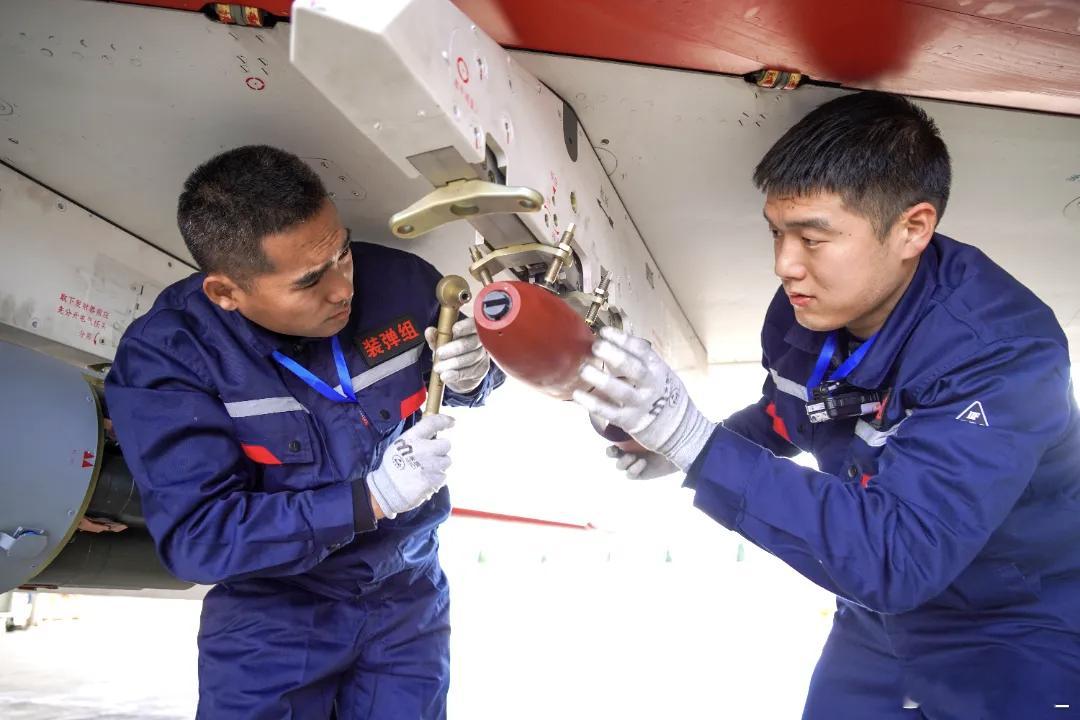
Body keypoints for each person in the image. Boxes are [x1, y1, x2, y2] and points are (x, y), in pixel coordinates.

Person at [574, 91, 1080, 718]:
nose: (785, 265)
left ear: (913, 229)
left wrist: (698, 447)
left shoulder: (1003, 353)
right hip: (876, 622)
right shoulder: (806, 310)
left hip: (1014, 627)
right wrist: (676, 440)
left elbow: (900, 556)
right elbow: (793, 412)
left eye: (812, 238)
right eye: (777, 232)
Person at [105, 145, 503, 719]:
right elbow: (200, 537)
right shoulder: (170, 359)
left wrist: (474, 375)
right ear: (226, 293)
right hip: (276, 612)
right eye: (311, 280)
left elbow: (445, 380)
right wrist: (372, 498)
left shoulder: (402, 283)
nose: (342, 288)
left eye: (343, 253)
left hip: (406, 593)